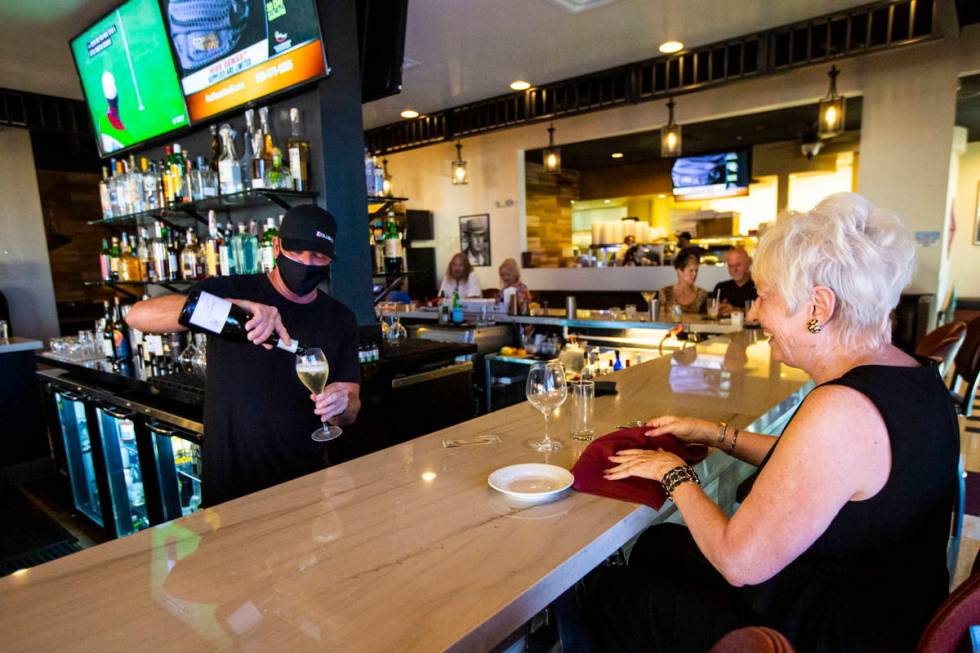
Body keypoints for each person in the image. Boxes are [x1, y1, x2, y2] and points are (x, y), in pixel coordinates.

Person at [595, 192, 959, 652]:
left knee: (618, 596)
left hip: (835, 631)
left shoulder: (842, 410)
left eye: (765, 296)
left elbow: (737, 561)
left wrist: (673, 473)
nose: (753, 312)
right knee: (657, 546)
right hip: (891, 608)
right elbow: (822, 472)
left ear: (817, 309)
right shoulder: (914, 378)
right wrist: (717, 434)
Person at [125, 205, 361, 507]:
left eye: (318, 256)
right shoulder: (232, 290)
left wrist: (341, 404)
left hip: (306, 481)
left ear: (330, 258)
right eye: (295, 252)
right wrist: (230, 308)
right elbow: (138, 316)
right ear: (276, 246)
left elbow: (351, 408)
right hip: (231, 484)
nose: (306, 262)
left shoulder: (339, 318)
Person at [658, 250, 708, 315]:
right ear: (679, 271)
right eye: (691, 270)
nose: (695, 274)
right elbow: (660, 320)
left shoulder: (702, 294)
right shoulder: (665, 292)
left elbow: (706, 321)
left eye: (696, 270)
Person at [711, 248, 757, 316]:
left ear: (749, 263)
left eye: (738, 265)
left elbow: (763, 314)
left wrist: (736, 310)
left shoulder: (759, 287)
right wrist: (717, 309)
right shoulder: (721, 288)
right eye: (730, 266)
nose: (734, 270)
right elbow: (710, 311)